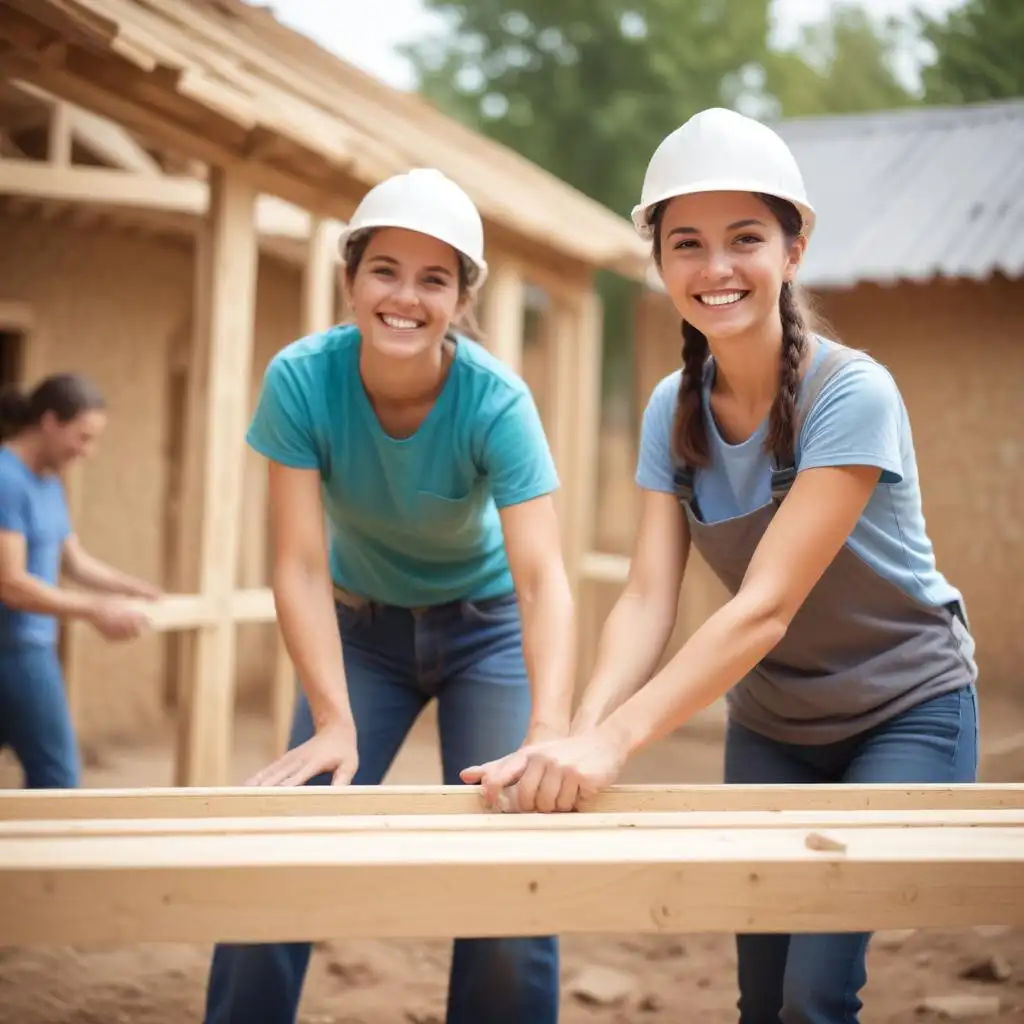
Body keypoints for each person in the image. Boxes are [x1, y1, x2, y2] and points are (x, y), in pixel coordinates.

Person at [463, 108, 979, 1022]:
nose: (716, 269)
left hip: (903, 714)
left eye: (746, 238)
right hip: (775, 724)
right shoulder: (673, 408)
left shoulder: (852, 393)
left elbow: (763, 609)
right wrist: (577, 730)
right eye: (686, 244)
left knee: (817, 995)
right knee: (761, 996)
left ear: (795, 248)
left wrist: (615, 744)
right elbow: (646, 598)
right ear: (659, 263)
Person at [203, 168, 574, 1024]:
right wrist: (335, 721)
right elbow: (297, 564)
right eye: (385, 270)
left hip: (487, 636)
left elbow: (541, 576)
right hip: (361, 634)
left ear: (461, 300)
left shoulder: (495, 402)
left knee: (508, 852)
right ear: (349, 279)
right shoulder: (302, 380)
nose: (405, 296)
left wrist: (549, 730)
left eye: (433, 278)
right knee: (285, 842)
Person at [0, 373, 160, 789]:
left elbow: (72, 559)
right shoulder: (6, 480)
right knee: (57, 777)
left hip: (31, 645)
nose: (88, 451)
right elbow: (11, 583)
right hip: (15, 650)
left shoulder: (50, 480)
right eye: (83, 437)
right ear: (50, 422)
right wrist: (95, 610)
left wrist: (131, 588)